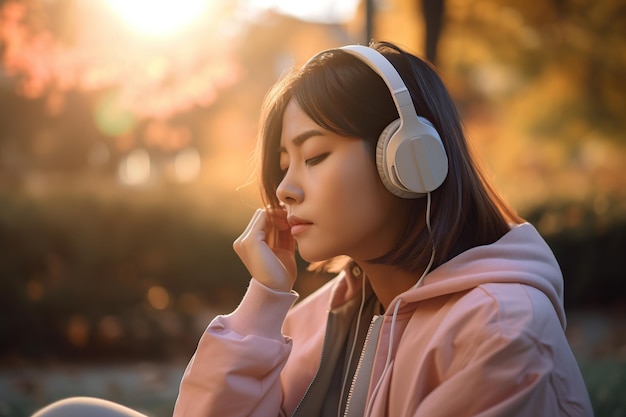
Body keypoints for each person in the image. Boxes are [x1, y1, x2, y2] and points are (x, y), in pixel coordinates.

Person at [32, 41, 593, 417]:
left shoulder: (499, 330)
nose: (284, 189)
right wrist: (265, 298)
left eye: (315, 156)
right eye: (283, 165)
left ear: (409, 159)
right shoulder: (330, 312)